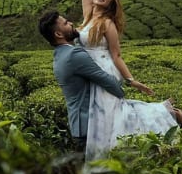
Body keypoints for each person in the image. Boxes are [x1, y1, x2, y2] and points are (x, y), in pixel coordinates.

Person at [76, 0, 182, 161]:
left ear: (111, 3)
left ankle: (166, 116)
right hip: (88, 71)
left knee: (109, 115)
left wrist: (131, 81)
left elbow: (117, 55)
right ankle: (166, 112)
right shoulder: (88, 14)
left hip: (104, 70)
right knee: (101, 113)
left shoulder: (107, 24)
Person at [38, 10, 126, 154]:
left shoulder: (60, 54)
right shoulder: (74, 55)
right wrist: (122, 89)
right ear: (59, 34)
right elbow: (109, 82)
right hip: (88, 127)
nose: (72, 23)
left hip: (79, 125)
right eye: (66, 23)